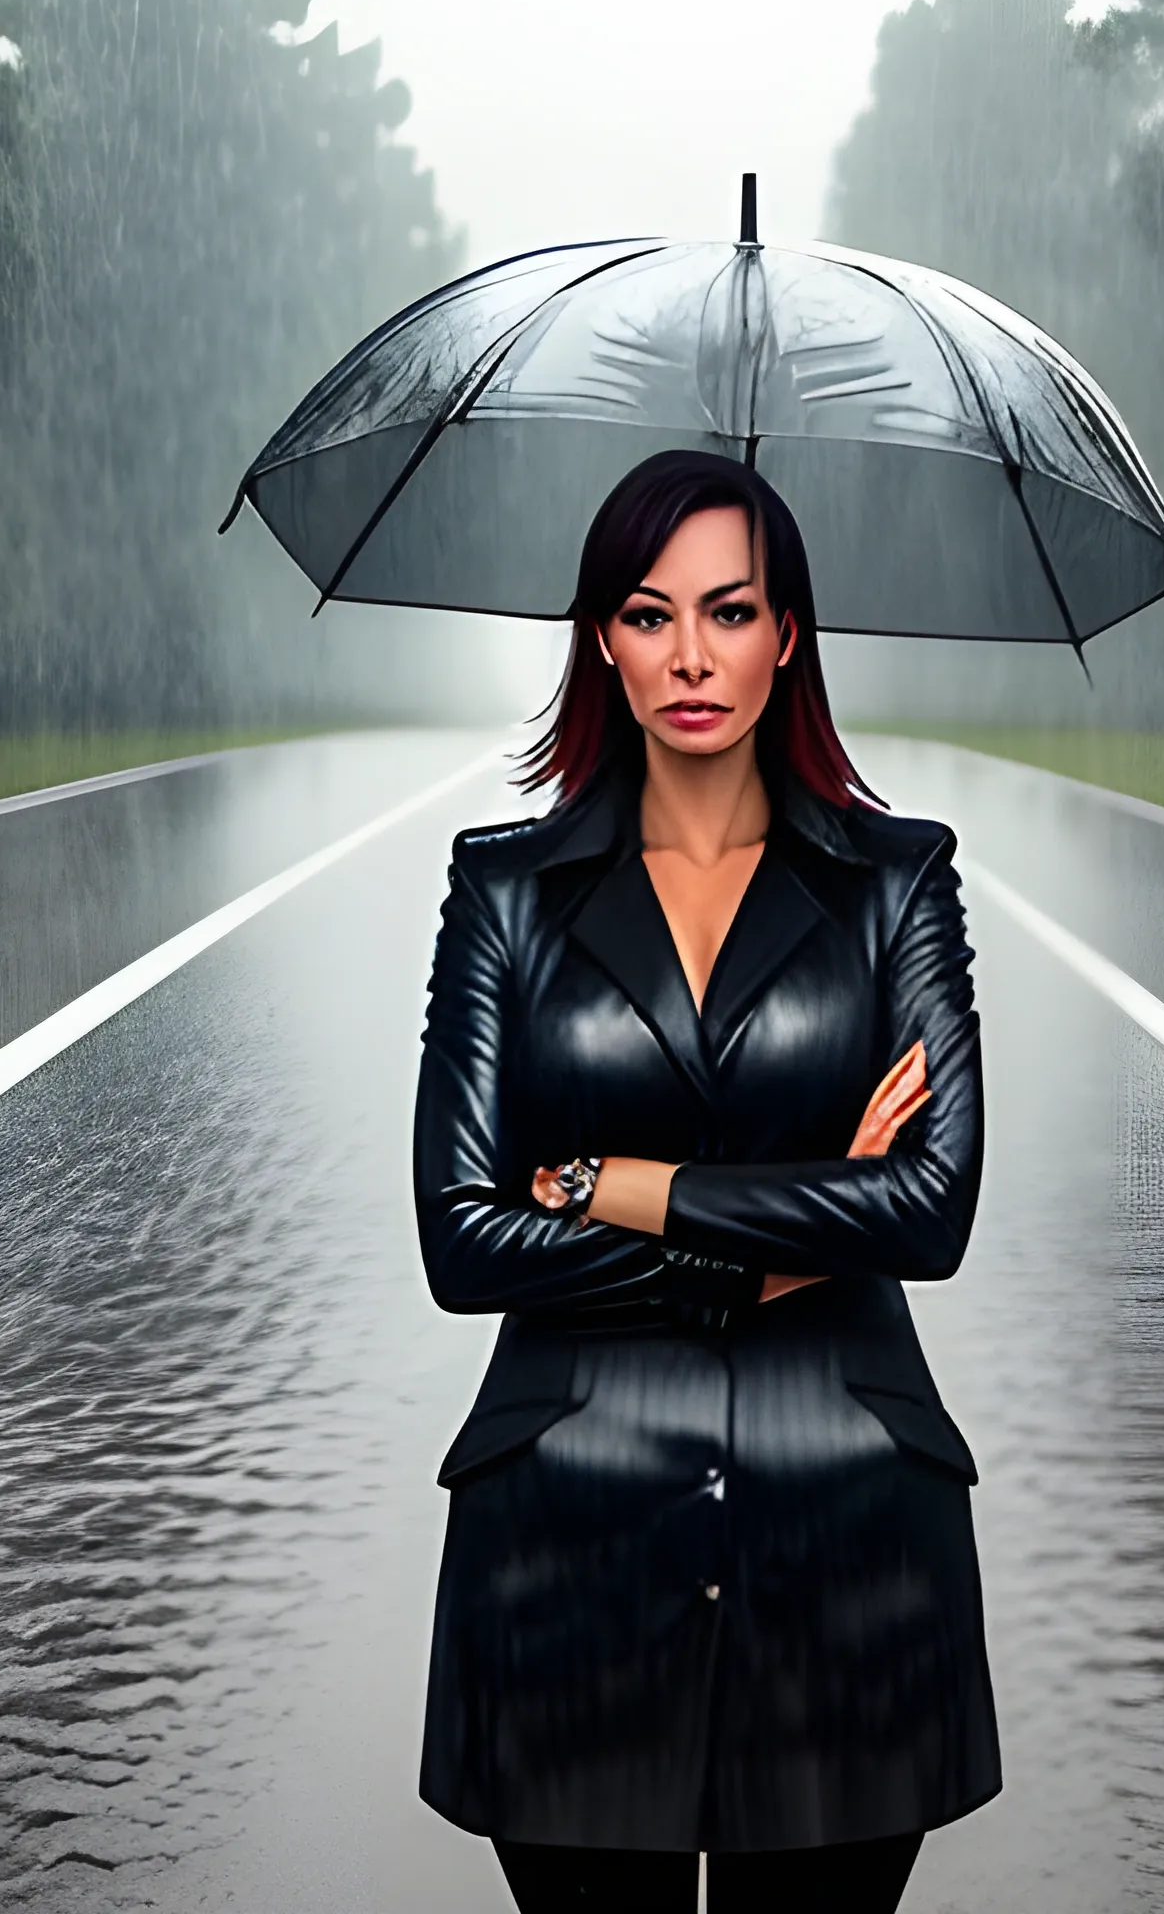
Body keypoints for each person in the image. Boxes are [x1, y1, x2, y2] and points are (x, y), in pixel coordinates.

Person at [413, 449, 1000, 1912]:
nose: (690, 656)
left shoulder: (899, 884)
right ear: (601, 641)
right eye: (648, 612)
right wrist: (800, 1230)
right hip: (566, 1537)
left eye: (729, 611)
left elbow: (928, 1210)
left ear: (788, 635)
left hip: (850, 1531)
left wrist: (614, 1182)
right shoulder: (504, 893)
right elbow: (462, 1239)